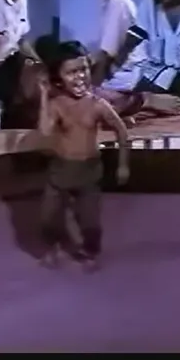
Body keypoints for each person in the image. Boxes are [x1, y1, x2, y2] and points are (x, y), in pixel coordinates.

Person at [35, 36, 130, 272]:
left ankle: (90, 250)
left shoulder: (98, 104)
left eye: (83, 70)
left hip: (89, 172)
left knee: (90, 221)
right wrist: (44, 95)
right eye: (71, 72)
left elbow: (122, 131)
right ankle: (51, 247)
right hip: (61, 169)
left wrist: (123, 165)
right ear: (58, 78)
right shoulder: (56, 104)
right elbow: (45, 130)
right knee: (48, 217)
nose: (79, 77)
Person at [88, 0, 180, 118]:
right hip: (126, 71)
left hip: (128, 76)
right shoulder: (113, 1)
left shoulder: (118, 2)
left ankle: (143, 101)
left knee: (90, 101)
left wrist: (92, 90)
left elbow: (107, 54)